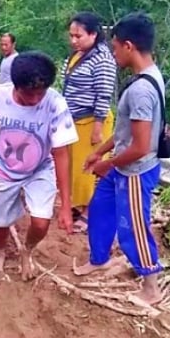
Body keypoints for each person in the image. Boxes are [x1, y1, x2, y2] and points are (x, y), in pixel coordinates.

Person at [73, 13, 165, 307]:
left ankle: (151, 285)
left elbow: (140, 146)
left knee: (133, 227)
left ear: (128, 46)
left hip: (134, 170)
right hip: (121, 164)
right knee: (100, 209)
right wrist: (101, 151)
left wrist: (106, 164)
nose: (113, 54)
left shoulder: (140, 90)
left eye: (114, 48)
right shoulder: (150, 76)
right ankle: (98, 258)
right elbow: (127, 132)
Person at [0, 52, 77, 282]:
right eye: (29, 94)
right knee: (1, 220)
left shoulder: (55, 104)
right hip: (3, 167)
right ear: (15, 86)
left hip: (39, 168)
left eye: (40, 93)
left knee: (41, 221)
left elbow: (61, 153)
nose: (36, 99)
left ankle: (28, 250)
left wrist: (66, 205)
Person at [60, 12, 117, 233]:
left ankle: (88, 212)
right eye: (71, 35)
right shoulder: (79, 54)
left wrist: (98, 128)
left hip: (93, 121)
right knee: (74, 167)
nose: (74, 40)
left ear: (93, 34)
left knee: (88, 169)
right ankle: (77, 204)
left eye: (79, 36)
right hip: (74, 121)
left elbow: (103, 95)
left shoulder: (102, 60)